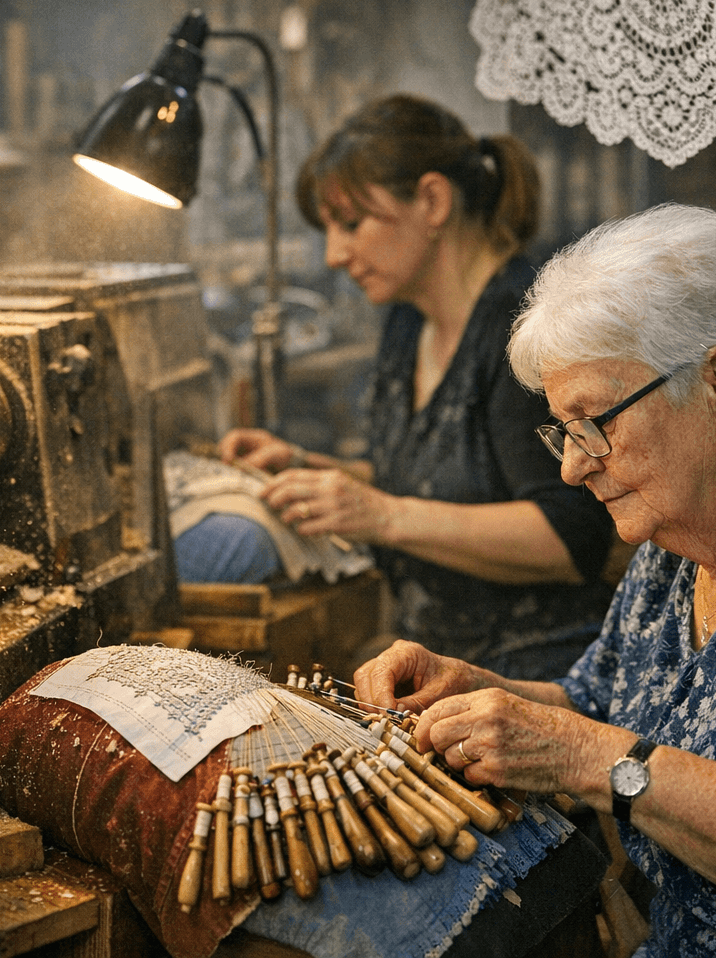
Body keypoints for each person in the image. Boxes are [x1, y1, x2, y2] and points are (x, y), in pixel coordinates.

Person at [355, 204, 716, 956]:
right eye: (563, 428)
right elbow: (594, 706)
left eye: (596, 422)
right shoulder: (674, 538)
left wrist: (590, 758)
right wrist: (473, 693)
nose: (572, 465)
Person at [218, 94, 619, 679]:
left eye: (352, 224)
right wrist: (309, 467)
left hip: (538, 677)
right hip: (437, 667)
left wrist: (380, 515)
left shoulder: (526, 328)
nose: (334, 255)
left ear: (432, 201)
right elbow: (437, 484)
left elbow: (572, 537)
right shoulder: (408, 320)